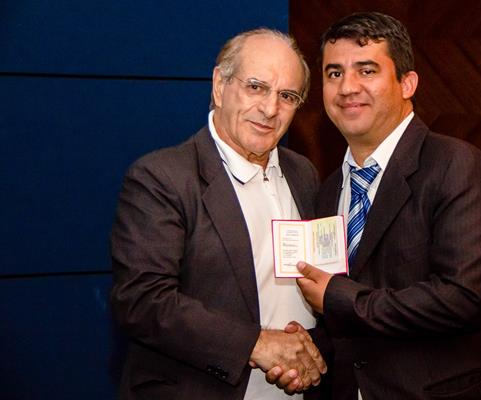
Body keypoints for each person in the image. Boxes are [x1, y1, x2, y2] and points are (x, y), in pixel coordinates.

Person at [271, 11, 481, 399]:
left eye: (366, 71)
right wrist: (305, 351)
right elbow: (344, 320)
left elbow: (463, 300)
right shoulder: (329, 190)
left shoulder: (456, 165)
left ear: (407, 83)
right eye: (334, 73)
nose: (347, 87)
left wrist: (339, 297)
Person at [110, 28, 326, 400]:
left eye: (287, 96)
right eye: (256, 87)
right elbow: (142, 301)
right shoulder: (162, 177)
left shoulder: (303, 173)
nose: (270, 109)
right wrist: (256, 344)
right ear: (219, 85)